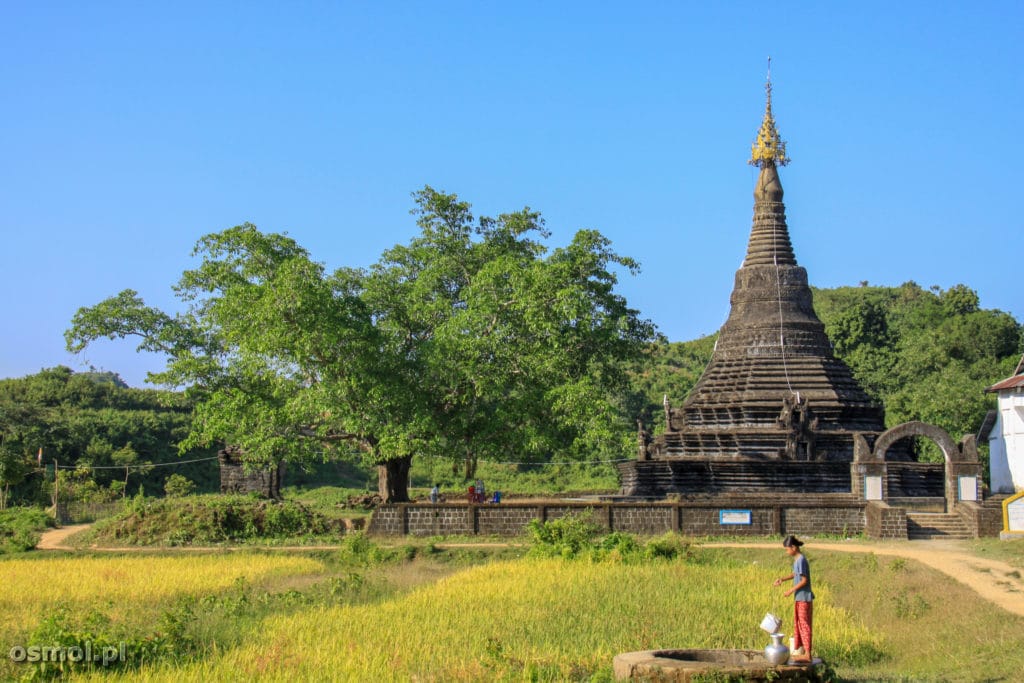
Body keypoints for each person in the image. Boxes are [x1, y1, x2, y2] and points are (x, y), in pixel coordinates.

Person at [773, 535, 814, 662]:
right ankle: (802, 651)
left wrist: (790, 591)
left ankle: (807, 654)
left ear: (793, 547)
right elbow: (795, 574)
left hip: (804, 598)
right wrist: (782, 579)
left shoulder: (801, 560)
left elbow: (804, 580)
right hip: (800, 598)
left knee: (804, 624)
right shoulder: (797, 560)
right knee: (799, 624)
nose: (787, 552)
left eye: (787, 549)